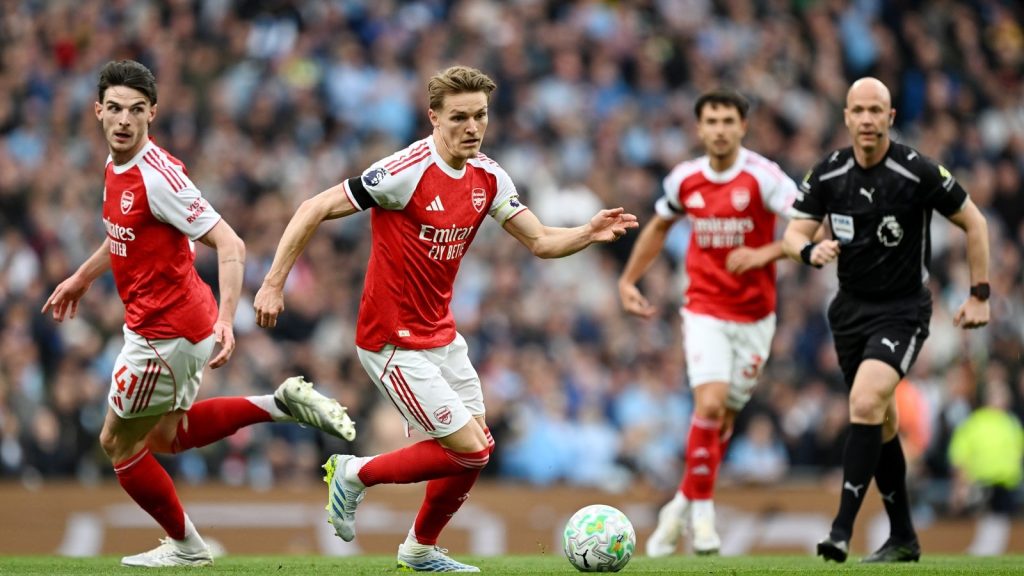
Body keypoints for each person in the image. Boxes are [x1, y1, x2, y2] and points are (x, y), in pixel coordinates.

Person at [253, 65, 637, 573]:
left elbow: (541, 241)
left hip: (440, 334)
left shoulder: (489, 177)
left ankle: (419, 549)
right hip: (391, 340)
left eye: (480, 115)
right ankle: (353, 474)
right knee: (470, 450)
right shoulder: (405, 171)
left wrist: (586, 233)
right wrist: (273, 283)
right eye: (459, 117)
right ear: (433, 117)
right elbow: (312, 207)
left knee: (479, 446)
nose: (472, 127)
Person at [41, 60, 356, 568]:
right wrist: (83, 276)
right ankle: (277, 405)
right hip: (175, 321)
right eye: (115, 109)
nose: (124, 120)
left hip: (163, 332)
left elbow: (231, 243)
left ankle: (187, 547)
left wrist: (227, 320)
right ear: (98, 111)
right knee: (167, 435)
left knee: (116, 444)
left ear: (152, 113)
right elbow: (124, 236)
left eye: (136, 110)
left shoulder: (158, 177)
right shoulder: (116, 165)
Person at [782, 77, 991, 563]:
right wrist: (810, 251)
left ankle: (840, 531)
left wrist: (979, 295)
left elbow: (975, 222)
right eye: (859, 110)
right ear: (846, 117)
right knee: (882, 420)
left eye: (876, 110)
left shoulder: (915, 170)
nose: (867, 119)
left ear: (890, 117)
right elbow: (793, 234)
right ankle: (903, 537)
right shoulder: (829, 173)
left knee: (864, 400)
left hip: (902, 310)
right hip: (849, 312)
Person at [618, 89, 800, 556]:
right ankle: (702, 516)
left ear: (743, 127)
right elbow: (659, 226)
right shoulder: (685, 179)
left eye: (728, 121)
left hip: (756, 316)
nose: (720, 129)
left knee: (722, 421)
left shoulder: (764, 177)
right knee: (711, 403)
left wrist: (766, 252)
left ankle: (678, 505)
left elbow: (807, 223)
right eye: (712, 121)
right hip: (704, 308)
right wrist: (629, 279)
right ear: (699, 129)